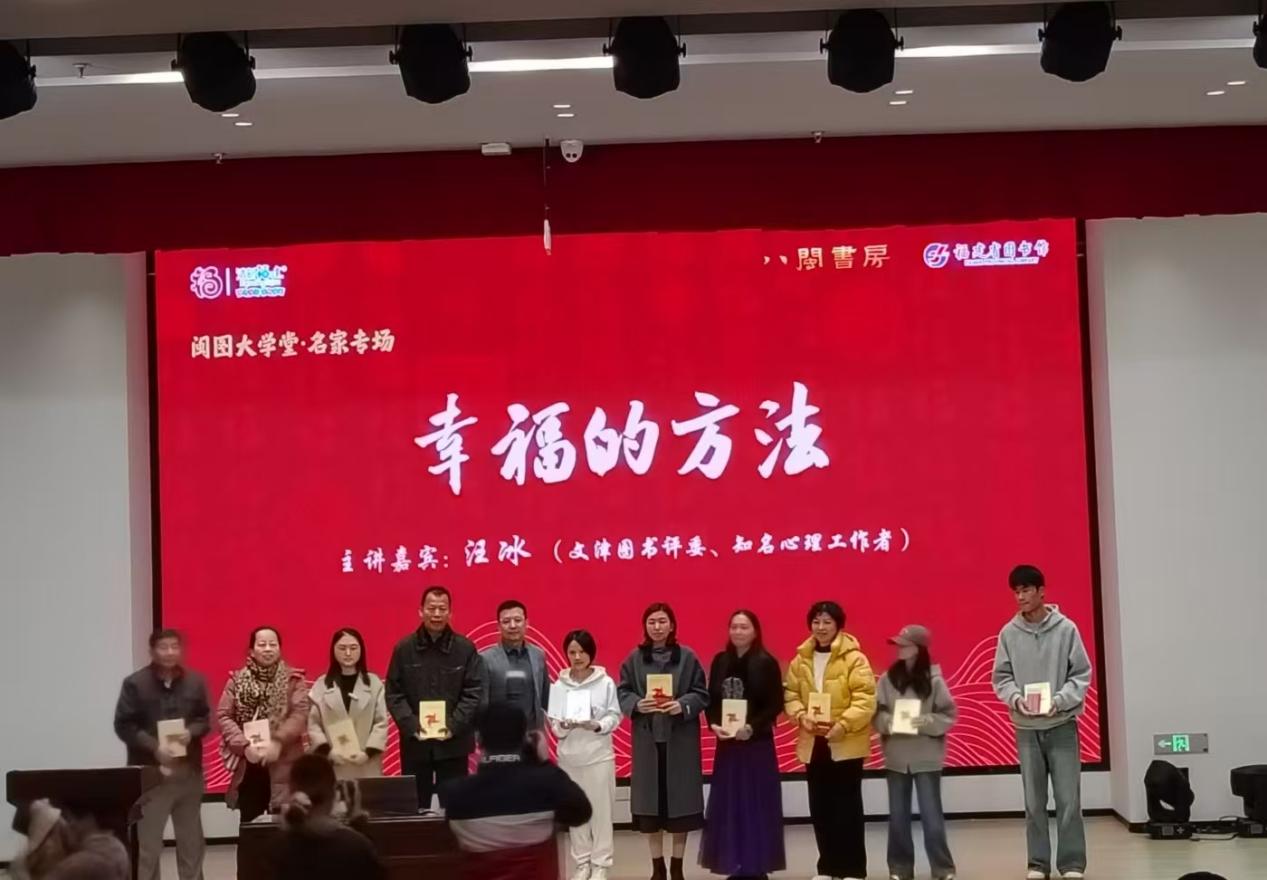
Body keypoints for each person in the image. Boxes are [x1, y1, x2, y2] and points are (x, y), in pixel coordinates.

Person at [992, 564, 1093, 880]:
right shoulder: (1009, 634)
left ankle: (1072, 864)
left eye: (1026, 590)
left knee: (1068, 799)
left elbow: (1081, 674)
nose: (1020, 596)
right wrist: (1016, 699)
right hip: (1026, 729)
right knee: (1034, 802)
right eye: (1016, 591)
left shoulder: (1066, 630)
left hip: (1062, 726)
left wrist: (1059, 700)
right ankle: (1037, 863)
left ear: (1041, 591)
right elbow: (1001, 677)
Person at [443, 701, 592, 880]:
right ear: (526, 739)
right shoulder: (546, 784)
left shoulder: (455, 793)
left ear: (479, 740)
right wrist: (544, 763)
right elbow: (581, 813)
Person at [784, 600, 876, 880]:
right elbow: (791, 695)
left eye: (827, 622)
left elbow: (865, 699)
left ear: (838, 625)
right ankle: (827, 868)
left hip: (845, 742)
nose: (821, 627)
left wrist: (843, 724)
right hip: (814, 743)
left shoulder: (855, 659)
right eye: (816, 622)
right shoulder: (801, 659)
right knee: (820, 808)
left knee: (847, 808)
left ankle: (853, 870)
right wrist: (801, 716)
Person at [617, 602, 710, 880]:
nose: (657, 627)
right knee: (651, 808)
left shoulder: (688, 657)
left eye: (662, 621)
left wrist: (683, 704)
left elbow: (701, 693)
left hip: (679, 740)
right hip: (648, 740)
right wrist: (636, 704)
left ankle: (677, 866)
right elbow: (623, 692)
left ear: (672, 625)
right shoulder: (634, 658)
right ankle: (657, 867)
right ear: (645, 626)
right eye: (652, 622)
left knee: (680, 806)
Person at [112, 628, 210, 880]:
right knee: (148, 846)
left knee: (192, 843)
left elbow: (204, 719)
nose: (169, 652)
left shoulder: (195, 681)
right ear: (152, 651)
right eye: (163, 647)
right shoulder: (135, 684)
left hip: (188, 774)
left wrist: (191, 732)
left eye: (174, 647)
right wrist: (154, 747)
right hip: (151, 777)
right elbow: (124, 725)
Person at [700, 610, 786, 880]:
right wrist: (714, 724)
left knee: (756, 804)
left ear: (755, 631)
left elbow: (775, 704)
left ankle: (756, 866)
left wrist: (751, 727)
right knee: (730, 805)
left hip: (756, 746)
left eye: (744, 627)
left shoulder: (766, 663)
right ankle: (733, 863)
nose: (738, 632)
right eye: (734, 627)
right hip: (728, 747)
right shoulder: (720, 661)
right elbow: (711, 701)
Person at [385, 585, 484, 811]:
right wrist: (412, 726)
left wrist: (453, 725)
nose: (437, 614)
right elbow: (394, 692)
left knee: (455, 808)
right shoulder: (404, 649)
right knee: (414, 808)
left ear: (450, 613)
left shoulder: (465, 648)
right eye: (431, 608)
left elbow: (473, 691)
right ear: (421, 611)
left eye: (442, 608)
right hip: (416, 744)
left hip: (453, 744)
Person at [874, 625, 957, 880]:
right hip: (896, 756)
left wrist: (926, 721)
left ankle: (942, 868)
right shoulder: (887, 679)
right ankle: (900, 868)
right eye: (898, 644)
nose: (899, 649)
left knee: (932, 817)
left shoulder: (934, 680)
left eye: (905, 644)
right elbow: (876, 713)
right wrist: (888, 722)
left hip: (926, 756)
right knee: (898, 817)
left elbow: (948, 714)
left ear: (919, 648)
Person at [548, 629, 623, 880]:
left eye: (582, 651)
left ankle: (601, 864)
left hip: (599, 757)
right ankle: (582, 863)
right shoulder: (558, 686)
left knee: (601, 814)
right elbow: (554, 725)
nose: (577, 657)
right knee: (575, 812)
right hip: (569, 759)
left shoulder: (605, 683)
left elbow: (614, 715)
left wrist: (597, 725)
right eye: (572, 652)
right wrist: (564, 726)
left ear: (591, 653)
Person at [216, 626, 310, 819]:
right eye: (262, 644)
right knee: (251, 826)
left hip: (285, 762)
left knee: (287, 826)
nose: (268, 649)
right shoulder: (237, 681)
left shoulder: (293, 680)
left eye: (272, 644)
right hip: (250, 764)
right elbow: (224, 715)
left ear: (279, 649)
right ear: (252, 651)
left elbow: (300, 714)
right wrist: (244, 746)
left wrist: (278, 741)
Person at [274, 748, 386, 880]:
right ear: (334, 793)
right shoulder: (356, 846)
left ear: (291, 790)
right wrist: (358, 821)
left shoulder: (277, 848)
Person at [307, 627, 390, 779]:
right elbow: (313, 725)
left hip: (365, 763)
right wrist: (328, 751)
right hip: (333, 764)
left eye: (353, 648)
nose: (347, 653)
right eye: (342, 648)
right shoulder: (322, 685)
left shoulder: (374, 684)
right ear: (333, 651)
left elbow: (381, 723)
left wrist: (368, 753)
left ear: (361, 650)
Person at [8, 799, 130, 880]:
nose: (69, 826)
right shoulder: (110, 847)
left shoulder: (100, 853)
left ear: (89, 818)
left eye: (69, 818)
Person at [481, 600, 549, 729]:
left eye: (518, 620)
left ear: (527, 623)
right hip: (498, 734)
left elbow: (546, 697)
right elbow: (481, 704)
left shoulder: (538, 655)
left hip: (533, 734)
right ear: (498, 626)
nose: (512, 626)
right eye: (506, 621)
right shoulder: (485, 659)